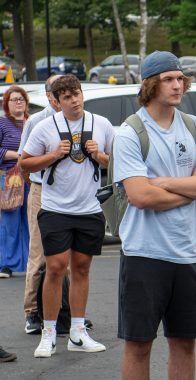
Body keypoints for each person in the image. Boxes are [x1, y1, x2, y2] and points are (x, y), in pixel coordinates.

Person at [112, 51, 196, 380]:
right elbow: (140, 196)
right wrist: (193, 188)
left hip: (189, 253)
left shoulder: (195, 127)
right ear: (150, 84)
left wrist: (166, 184)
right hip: (144, 253)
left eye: (180, 79)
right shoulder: (130, 133)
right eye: (169, 79)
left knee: (184, 343)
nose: (178, 86)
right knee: (139, 344)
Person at [21, 75, 114, 358]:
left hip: (89, 208)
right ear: (57, 101)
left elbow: (118, 162)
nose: (75, 100)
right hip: (55, 208)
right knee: (56, 267)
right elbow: (24, 162)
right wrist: (51, 155)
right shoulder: (44, 127)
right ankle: (48, 332)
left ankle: (77, 331)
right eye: (68, 97)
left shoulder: (102, 124)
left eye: (77, 94)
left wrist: (100, 156)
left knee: (82, 268)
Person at [17, 75, 62, 334]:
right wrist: (34, 185)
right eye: (61, 93)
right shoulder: (36, 121)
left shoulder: (79, 120)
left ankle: (65, 312)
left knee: (66, 257)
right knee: (38, 253)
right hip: (41, 190)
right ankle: (32, 311)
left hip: (68, 193)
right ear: (49, 97)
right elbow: (24, 161)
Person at [0, 85, 30, 279]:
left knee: (31, 220)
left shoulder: (33, 122)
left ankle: (31, 262)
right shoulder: (2, 123)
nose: (18, 102)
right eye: (14, 99)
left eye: (21, 99)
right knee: (10, 223)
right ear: (7, 104)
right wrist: (19, 155)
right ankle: (5, 265)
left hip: (31, 177)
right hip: (10, 178)